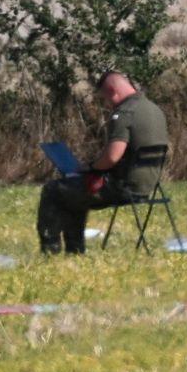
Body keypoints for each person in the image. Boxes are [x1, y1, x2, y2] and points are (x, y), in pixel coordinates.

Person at [37, 71, 169, 254]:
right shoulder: (154, 110)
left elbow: (112, 157)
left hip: (122, 188)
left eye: (105, 99)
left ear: (113, 91)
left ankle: (51, 250)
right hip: (148, 186)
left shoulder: (124, 113)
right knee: (74, 192)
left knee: (54, 190)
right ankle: (74, 251)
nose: (107, 105)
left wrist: (89, 168)